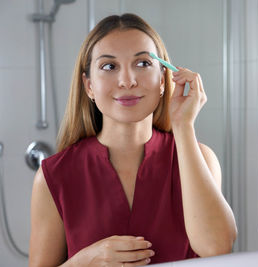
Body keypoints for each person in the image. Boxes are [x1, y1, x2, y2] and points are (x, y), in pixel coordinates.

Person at [29, 13, 237, 266]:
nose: (127, 81)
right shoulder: (54, 175)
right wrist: (83, 261)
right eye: (109, 66)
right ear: (89, 86)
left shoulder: (200, 158)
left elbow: (218, 248)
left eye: (142, 64)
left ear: (163, 79)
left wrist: (184, 126)